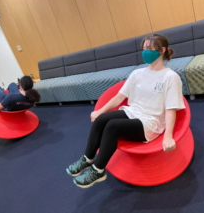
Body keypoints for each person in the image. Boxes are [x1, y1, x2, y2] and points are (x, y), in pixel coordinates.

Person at [66, 34, 185, 188]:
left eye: (149, 49)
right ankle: (87, 159)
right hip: (133, 112)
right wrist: (100, 111)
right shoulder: (137, 74)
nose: (145, 52)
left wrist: (168, 136)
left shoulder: (171, 77)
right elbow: (118, 97)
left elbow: (171, 108)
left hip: (151, 122)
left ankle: (98, 170)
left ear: (162, 50)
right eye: (144, 48)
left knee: (112, 126)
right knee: (102, 120)